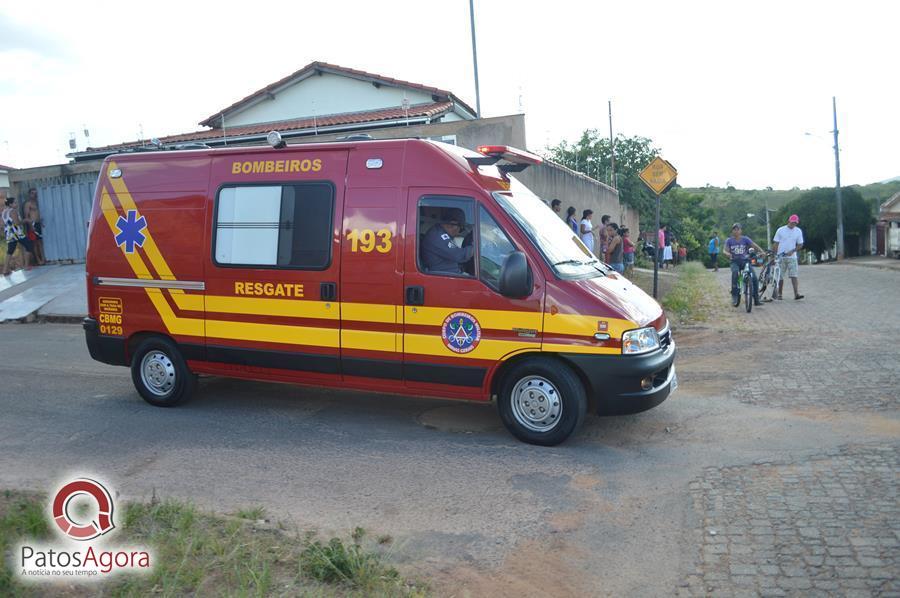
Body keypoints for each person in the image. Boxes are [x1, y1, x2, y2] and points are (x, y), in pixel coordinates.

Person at [420, 208, 474, 274]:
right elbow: (459, 255)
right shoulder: (438, 236)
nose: (458, 233)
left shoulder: (441, 232)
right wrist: (475, 247)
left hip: (451, 273)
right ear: (452, 224)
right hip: (443, 277)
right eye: (461, 229)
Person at [723, 223, 765, 307]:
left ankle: (756, 299)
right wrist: (727, 254)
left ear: (741, 231)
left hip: (745, 261)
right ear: (732, 231)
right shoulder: (729, 240)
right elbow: (724, 250)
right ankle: (734, 295)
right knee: (735, 273)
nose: (736, 231)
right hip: (734, 262)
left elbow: (754, 245)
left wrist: (761, 251)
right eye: (735, 229)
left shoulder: (745, 239)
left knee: (754, 278)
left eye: (738, 229)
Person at [771, 214, 805, 300]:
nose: (793, 224)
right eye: (792, 222)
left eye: (795, 223)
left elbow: (800, 244)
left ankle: (796, 294)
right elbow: (776, 243)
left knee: (794, 275)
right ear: (789, 221)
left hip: (792, 257)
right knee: (780, 276)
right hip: (781, 256)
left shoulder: (798, 231)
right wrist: (774, 255)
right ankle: (779, 294)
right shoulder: (780, 230)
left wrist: (793, 250)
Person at [3, 196, 35, 275]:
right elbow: (17, 223)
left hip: (9, 234)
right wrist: (26, 220)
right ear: (10, 204)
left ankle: (5, 270)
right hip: (17, 233)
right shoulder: (13, 211)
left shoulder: (4, 211)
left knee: (10, 251)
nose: (16, 204)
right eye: (15, 203)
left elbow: (4, 223)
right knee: (29, 245)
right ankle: (26, 266)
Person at [23, 188, 46, 265]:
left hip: (38, 223)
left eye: (35, 193)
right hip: (32, 225)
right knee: (35, 243)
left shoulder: (38, 202)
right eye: (32, 193)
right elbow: (26, 216)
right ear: (29, 194)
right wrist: (30, 226)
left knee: (40, 242)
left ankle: (43, 259)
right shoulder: (28, 204)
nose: (34, 195)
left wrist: (41, 222)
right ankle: (38, 260)